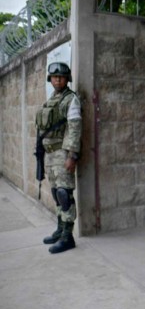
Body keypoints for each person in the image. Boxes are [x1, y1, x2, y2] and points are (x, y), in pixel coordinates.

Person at [37, 62, 82, 254]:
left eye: (61, 77)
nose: (57, 79)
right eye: (54, 77)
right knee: (56, 193)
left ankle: (68, 237)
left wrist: (72, 155)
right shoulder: (52, 99)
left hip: (62, 152)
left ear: (67, 79)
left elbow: (74, 128)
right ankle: (60, 229)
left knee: (65, 195)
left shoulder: (71, 99)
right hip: (49, 153)